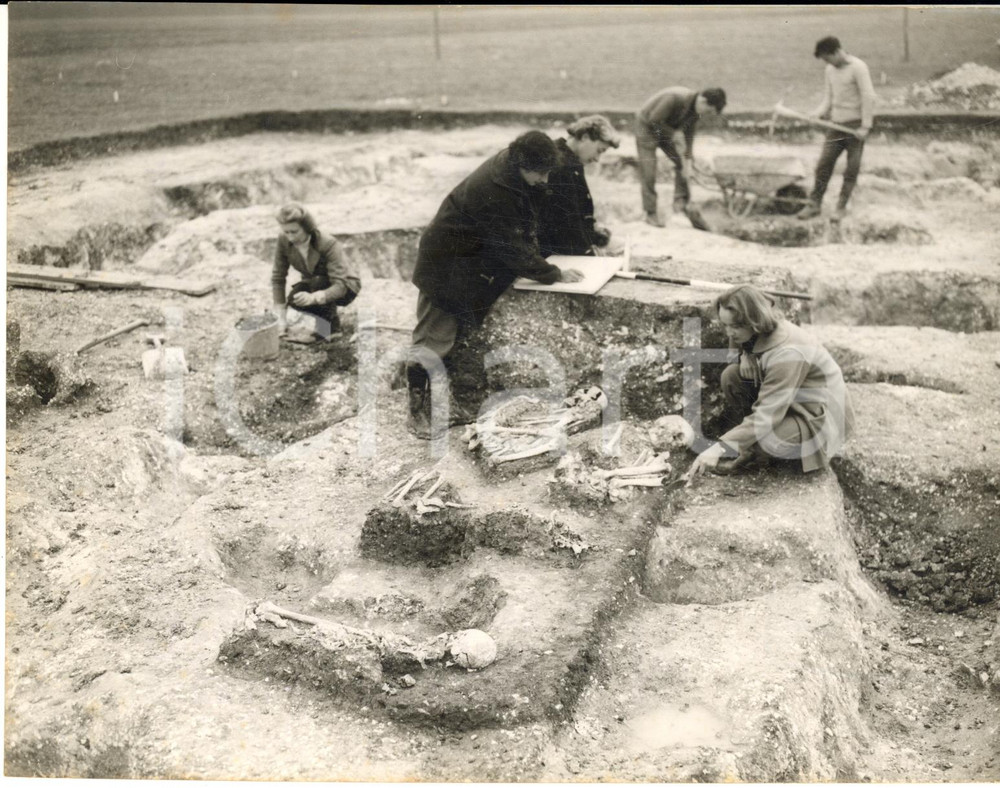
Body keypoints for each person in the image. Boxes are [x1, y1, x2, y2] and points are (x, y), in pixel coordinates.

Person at [406, 130, 584, 439]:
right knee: (434, 340)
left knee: (459, 335)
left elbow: (524, 224)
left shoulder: (514, 172)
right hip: (444, 266)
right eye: (540, 173)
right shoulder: (493, 188)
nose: (544, 179)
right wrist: (551, 273)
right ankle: (416, 411)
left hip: (467, 264)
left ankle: (446, 402)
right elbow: (509, 246)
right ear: (523, 165)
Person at [685, 284, 853, 480]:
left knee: (770, 442)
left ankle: (757, 451)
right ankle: (749, 444)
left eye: (735, 326)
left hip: (816, 414)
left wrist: (720, 448)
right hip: (788, 401)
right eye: (725, 325)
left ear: (754, 321)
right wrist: (746, 355)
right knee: (731, 376)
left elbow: (767, 415)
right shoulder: (749, 330)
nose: (729, 333)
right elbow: (733, 356)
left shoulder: (788, 353)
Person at [797, 36, 877, 221]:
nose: (827, 63)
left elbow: (868, 96)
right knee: (823, 165)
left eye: (827, 58)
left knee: (851, 169)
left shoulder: (858, 67)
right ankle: (814, 205)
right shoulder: (829, 70)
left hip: (855, 127)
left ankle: (841, 207)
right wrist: (817, 113)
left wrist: (865, 126)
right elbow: (829, 98)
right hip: (835, 125)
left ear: (837, 52)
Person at [635, 86, 726, 229]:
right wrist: (673, 134)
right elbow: (654, 120)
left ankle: (681, 202)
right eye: (708, 111)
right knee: (649, 170)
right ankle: (650, 212)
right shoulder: (674, 98)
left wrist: (687, 161)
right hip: (647, 127)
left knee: (681, 164)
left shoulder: (696, 111)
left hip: (667, 128)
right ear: (702, 100)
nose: (706, 115)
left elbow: (688, 136)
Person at [534, 115, 621, 257]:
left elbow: (577, 213)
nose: (597, 159)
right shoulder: (559, 163)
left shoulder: (571, 161)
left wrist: (593, 236)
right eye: (599, 150)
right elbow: (563, 224)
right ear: (585, 137)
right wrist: (589, 251)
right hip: (551, 252)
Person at [271, 203, 361, 341]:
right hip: (316, 282)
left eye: (294, 232)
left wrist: (313, 298)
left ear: (307, 228)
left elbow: (340, 285)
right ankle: (325, 328)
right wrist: (280, 316)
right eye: (286, 232)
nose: (290, 237)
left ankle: (332, 329)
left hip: (345, 286)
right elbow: (278, 277)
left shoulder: (328, 243)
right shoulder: (283, 240)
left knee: (318, 283)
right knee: (295, 299)